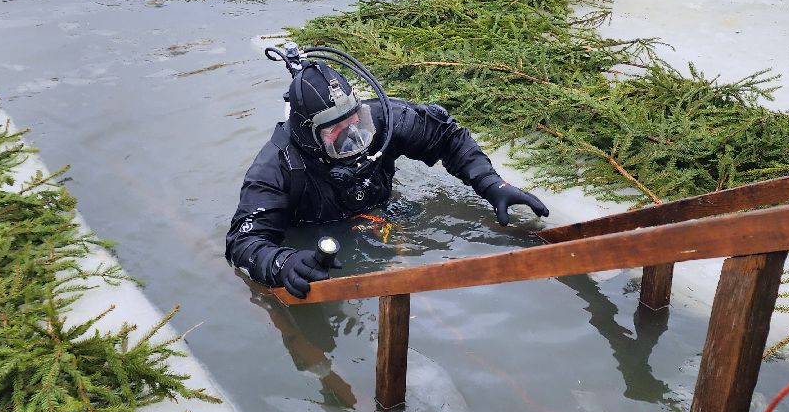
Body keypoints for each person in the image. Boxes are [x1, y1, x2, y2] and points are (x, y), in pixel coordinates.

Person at [226, 46, 549, 299]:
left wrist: (491, 183)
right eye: (335, 132)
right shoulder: (276, 168)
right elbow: (243, 241)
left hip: (381, 219)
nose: (354, 137)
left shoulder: (383, 120)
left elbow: (446, 136)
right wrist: (283, 263)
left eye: (355, 122)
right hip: (320, 239)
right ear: (308, 134)